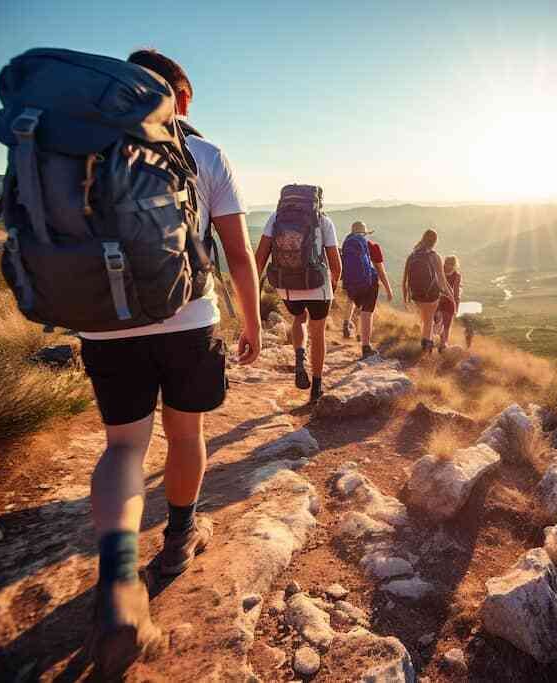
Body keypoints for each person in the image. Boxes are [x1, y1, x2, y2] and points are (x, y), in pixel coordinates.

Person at [81, 49, 262, 674]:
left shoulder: (88, 146)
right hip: (187, 319)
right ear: (180, 98)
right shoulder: (204, 154)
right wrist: (254, 322)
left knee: (122, 449)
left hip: (104, 323)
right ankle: (180, 539)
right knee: (185, 432)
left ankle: (116, 580)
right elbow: (238, 254)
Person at [254, 195, 341, 403]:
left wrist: (254, 285)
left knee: (299, 318)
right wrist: (333, 287)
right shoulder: (324, 220)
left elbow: (259, 258)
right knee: (318, 332)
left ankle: (300, 356)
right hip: (317, 284)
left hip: (287, 285)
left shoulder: (275, 218)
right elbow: (336, 265)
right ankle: (316, 387)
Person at [341, 221, 393, 358]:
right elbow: (380, 271)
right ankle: (365, 346)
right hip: (369, 284)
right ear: (365, 233)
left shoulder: (347, 244)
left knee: (357, 307)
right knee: (367, 313)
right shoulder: (372, 246)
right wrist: (388, 289)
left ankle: (350, 326)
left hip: (352, 284)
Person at [402, 228, 453, 353]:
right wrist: (450, 297)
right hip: (431, 296)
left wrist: (406, 298)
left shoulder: (412, 255)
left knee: (426, 319)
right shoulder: (435, 256)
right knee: (429, 319)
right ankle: (426, 347)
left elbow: (405, 280)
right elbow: (442, 281)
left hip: (416, 296)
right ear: (435, 242)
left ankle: (427, 341)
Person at [436, 255, 462, 352]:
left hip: (448, 303)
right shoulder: (440, 272)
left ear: (455, 265)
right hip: (438, 302)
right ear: (444, 263)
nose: (449, 266)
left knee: (446, 324)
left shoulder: (456, 276)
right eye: (447, 263)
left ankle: (443, 345)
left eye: (451, 264)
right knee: (439, 322)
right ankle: (440, 342)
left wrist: (456, 307)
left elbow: (456, 293)